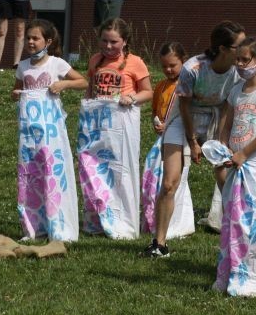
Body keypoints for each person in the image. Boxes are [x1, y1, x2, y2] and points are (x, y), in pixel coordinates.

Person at [147, 20, 243, 257]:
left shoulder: (237, 72)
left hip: (215, 118)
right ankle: (159, 243)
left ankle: (236, 238)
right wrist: (192, 142)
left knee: (226, 178)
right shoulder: (193, 68)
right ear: (222, 48)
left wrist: (220, 141)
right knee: (170, 182)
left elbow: (227, 106)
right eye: (239, 46)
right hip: (183, 119)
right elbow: (184, 105)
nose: (244, 51)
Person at [213, 36, 256, 296]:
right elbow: (226, 124)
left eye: (245, 59)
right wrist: (223, 148)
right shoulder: (236, 90)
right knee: (232, 218)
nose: (239, 64)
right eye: (237, 59)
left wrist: (245, 153)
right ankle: (233, 271)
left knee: (253, 219)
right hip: (235, 164)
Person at [13, 19, 87, 242]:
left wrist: (64, 84)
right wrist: (16, 95)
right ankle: (33, 225)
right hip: (28, 133)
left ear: (48, 41)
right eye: (28, 38)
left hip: (51, 132)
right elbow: (16, 90)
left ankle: (58, 222)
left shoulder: (57, 64)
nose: (31, 42)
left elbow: (83, 81)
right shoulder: (23, 66)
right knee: (30, 176)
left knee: (52, 173)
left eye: (35, 38)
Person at [79, 18, 153, 240]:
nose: (108, 46)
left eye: (114, 42)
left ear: (125, 41)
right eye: (104, 41)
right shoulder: (95, 61)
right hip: (97, 126)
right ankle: (96, 219)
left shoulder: (135, 62)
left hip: (121, 127)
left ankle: (122, 220)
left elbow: (148, 92)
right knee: (93, 169)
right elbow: (90, 91)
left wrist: (132, 97)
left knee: (119, 171)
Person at [141, 42, 195, 241]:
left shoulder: (188, 84)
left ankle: (177, 224)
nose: (168, 70)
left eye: (173, 65)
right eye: (164, 66)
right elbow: (156, 110)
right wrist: (156, 123)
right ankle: (156, 220)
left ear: (184, 61)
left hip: (181, 139)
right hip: (164, 139)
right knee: (158, 180)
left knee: (174, 182)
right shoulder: (161, 86)